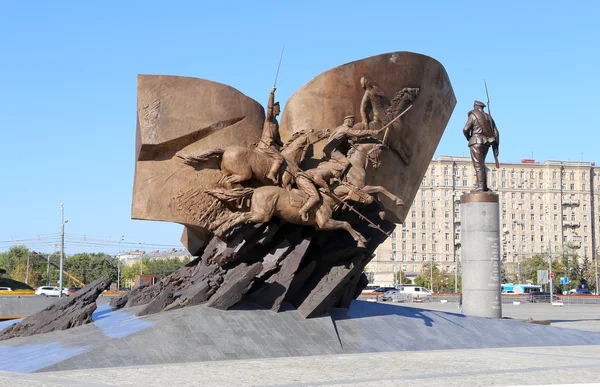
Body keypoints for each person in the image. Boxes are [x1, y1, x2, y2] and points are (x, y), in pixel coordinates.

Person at [462, 100, 499, 191]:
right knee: (482, 164)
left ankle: (481, 187)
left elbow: (465, 129)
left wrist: (469, 137)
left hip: (476, 141)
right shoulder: (489, 117)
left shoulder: (473, 115)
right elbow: (496, 132)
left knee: (478, 165)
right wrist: (495, 145)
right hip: (486, 143)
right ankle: (484, 187)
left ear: (476, 107)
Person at [255, 87, 284, 184]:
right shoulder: (270, 119)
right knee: (280, 158)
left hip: (271, 144)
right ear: (274, 109)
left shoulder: (276, 122)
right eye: (278, 109)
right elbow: (269, 107)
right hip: (266, 145)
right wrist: (272, 94)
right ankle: (271, 174)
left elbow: (278, 140)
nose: (279, 111)